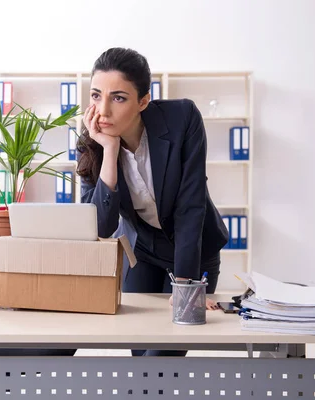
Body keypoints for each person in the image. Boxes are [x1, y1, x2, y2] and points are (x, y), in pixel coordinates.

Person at [78, 47, 229, 357]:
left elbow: (191, 205)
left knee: (161, 357)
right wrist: (108, 150)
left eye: (118, 98)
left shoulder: (182, 118)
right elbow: (101, 227)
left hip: (194, 252)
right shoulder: (91, 139)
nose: (102, 110)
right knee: (140, 352)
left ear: (143, 101)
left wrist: (186, 283)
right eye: (96, 96)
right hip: (145, 251)